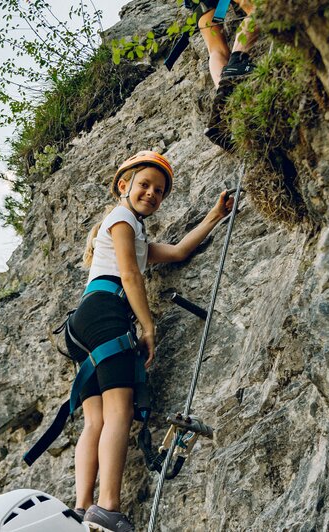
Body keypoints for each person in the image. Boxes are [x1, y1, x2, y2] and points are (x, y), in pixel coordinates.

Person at [68, 151, 235, 532]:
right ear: (124, 186)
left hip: (83, 322)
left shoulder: (132, 233)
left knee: (94, 420)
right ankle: (107, 507)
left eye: (159, 191)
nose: (152, 194)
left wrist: (215, 216)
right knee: (119, 412)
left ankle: (80, 508)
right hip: (108, 313)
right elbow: (129, 275)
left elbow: (176, 252)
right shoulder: (122, 219)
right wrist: (147, 327)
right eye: (144, 185)